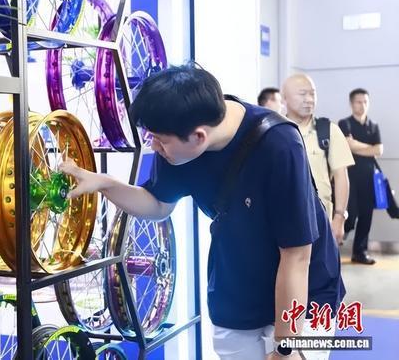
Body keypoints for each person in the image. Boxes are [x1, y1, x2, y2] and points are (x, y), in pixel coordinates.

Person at [61, 63, 344, 360]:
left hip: (303, 293)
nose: (155, 146)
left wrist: (286, 347)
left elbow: (296, 256)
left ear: (199, 137)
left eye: (160, 140)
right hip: (237, 290)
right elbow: (157, 204)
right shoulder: (178, 135)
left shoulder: (279, 145)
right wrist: (104, 184)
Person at [282, 74, 354, 244]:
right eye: (302, 94)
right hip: (283, 222)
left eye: (312, 93)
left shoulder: (328, 131)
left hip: (321, 223)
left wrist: (339, 217)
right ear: (284, 98)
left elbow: (341, 176)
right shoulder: (274, 131)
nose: (309, 99)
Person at [338, 88, 383, 265]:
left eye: (365, 101)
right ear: (351, 103)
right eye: (358, 101)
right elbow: (347, 145)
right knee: (349, 217)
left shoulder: (373, 125)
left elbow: (379, 150)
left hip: (368, 177)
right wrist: (369, 148)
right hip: (349, 177)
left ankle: (360, 252)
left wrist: (356, 146)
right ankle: (333, 244)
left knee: (366, 216)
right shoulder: (345, 124)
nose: (362, 105)